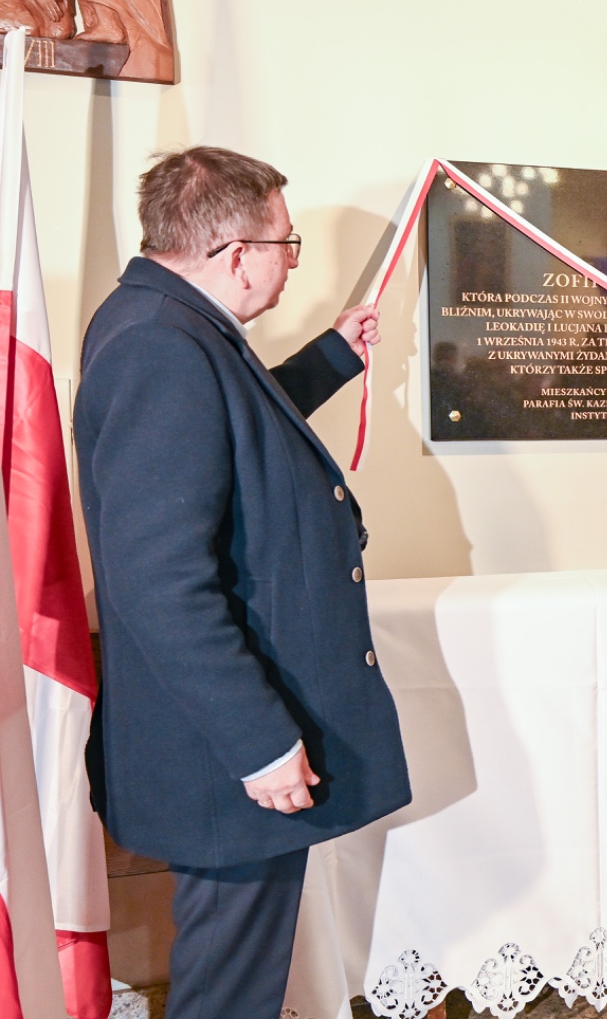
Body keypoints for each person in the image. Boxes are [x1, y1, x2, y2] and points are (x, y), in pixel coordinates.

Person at [74, 147, 413, 1019]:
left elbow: (229, 430)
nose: (290, 260)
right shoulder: (160, 344)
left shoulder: (168, 321)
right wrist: (259, 742)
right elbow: (161, 581)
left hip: (215, 741)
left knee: (239, 976)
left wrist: (328, 359)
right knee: (229, 989)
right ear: (235, 254)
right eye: (286, 243)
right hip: (221, 749)